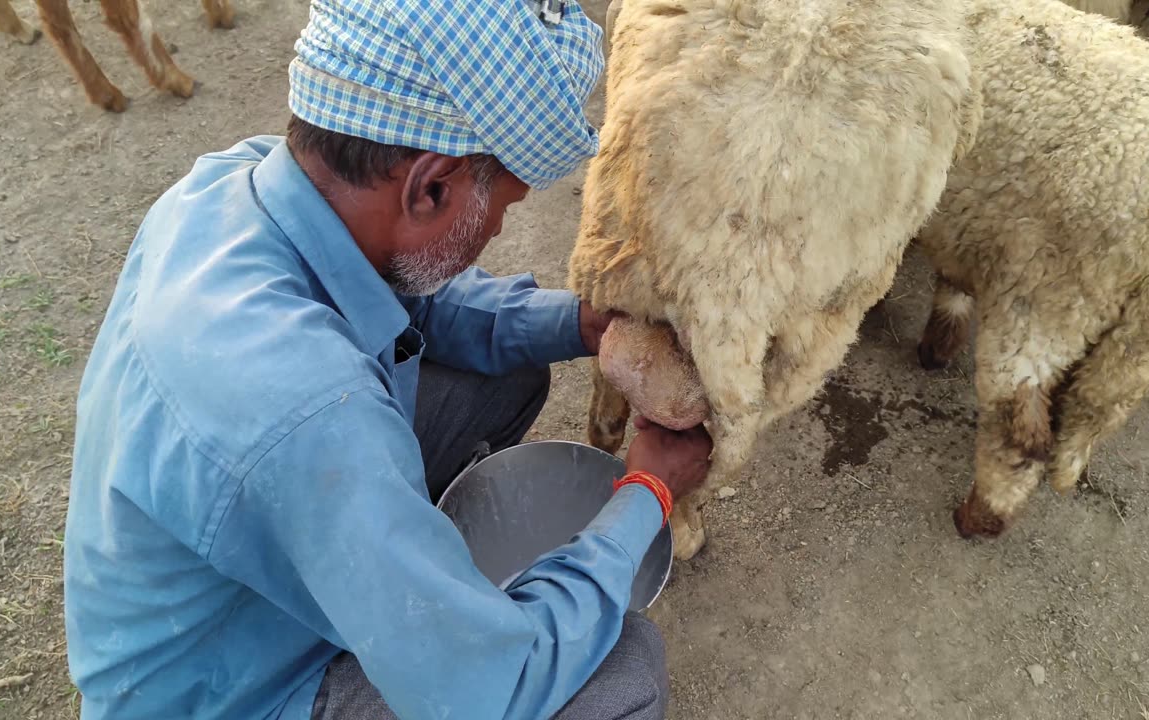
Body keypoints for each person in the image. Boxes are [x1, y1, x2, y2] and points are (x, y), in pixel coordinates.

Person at [61, 1, 714, 719]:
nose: (499, 227)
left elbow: (418, 298)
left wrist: (583, 324)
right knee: (623, 679)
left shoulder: (238, 184)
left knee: (504, 375)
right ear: (429, 186)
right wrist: (649, 492)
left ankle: (396, 579)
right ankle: (401, 613)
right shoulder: (309, 411)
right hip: (232, 687)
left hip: (240, 581)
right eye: (503, 203)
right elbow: (504, 684)